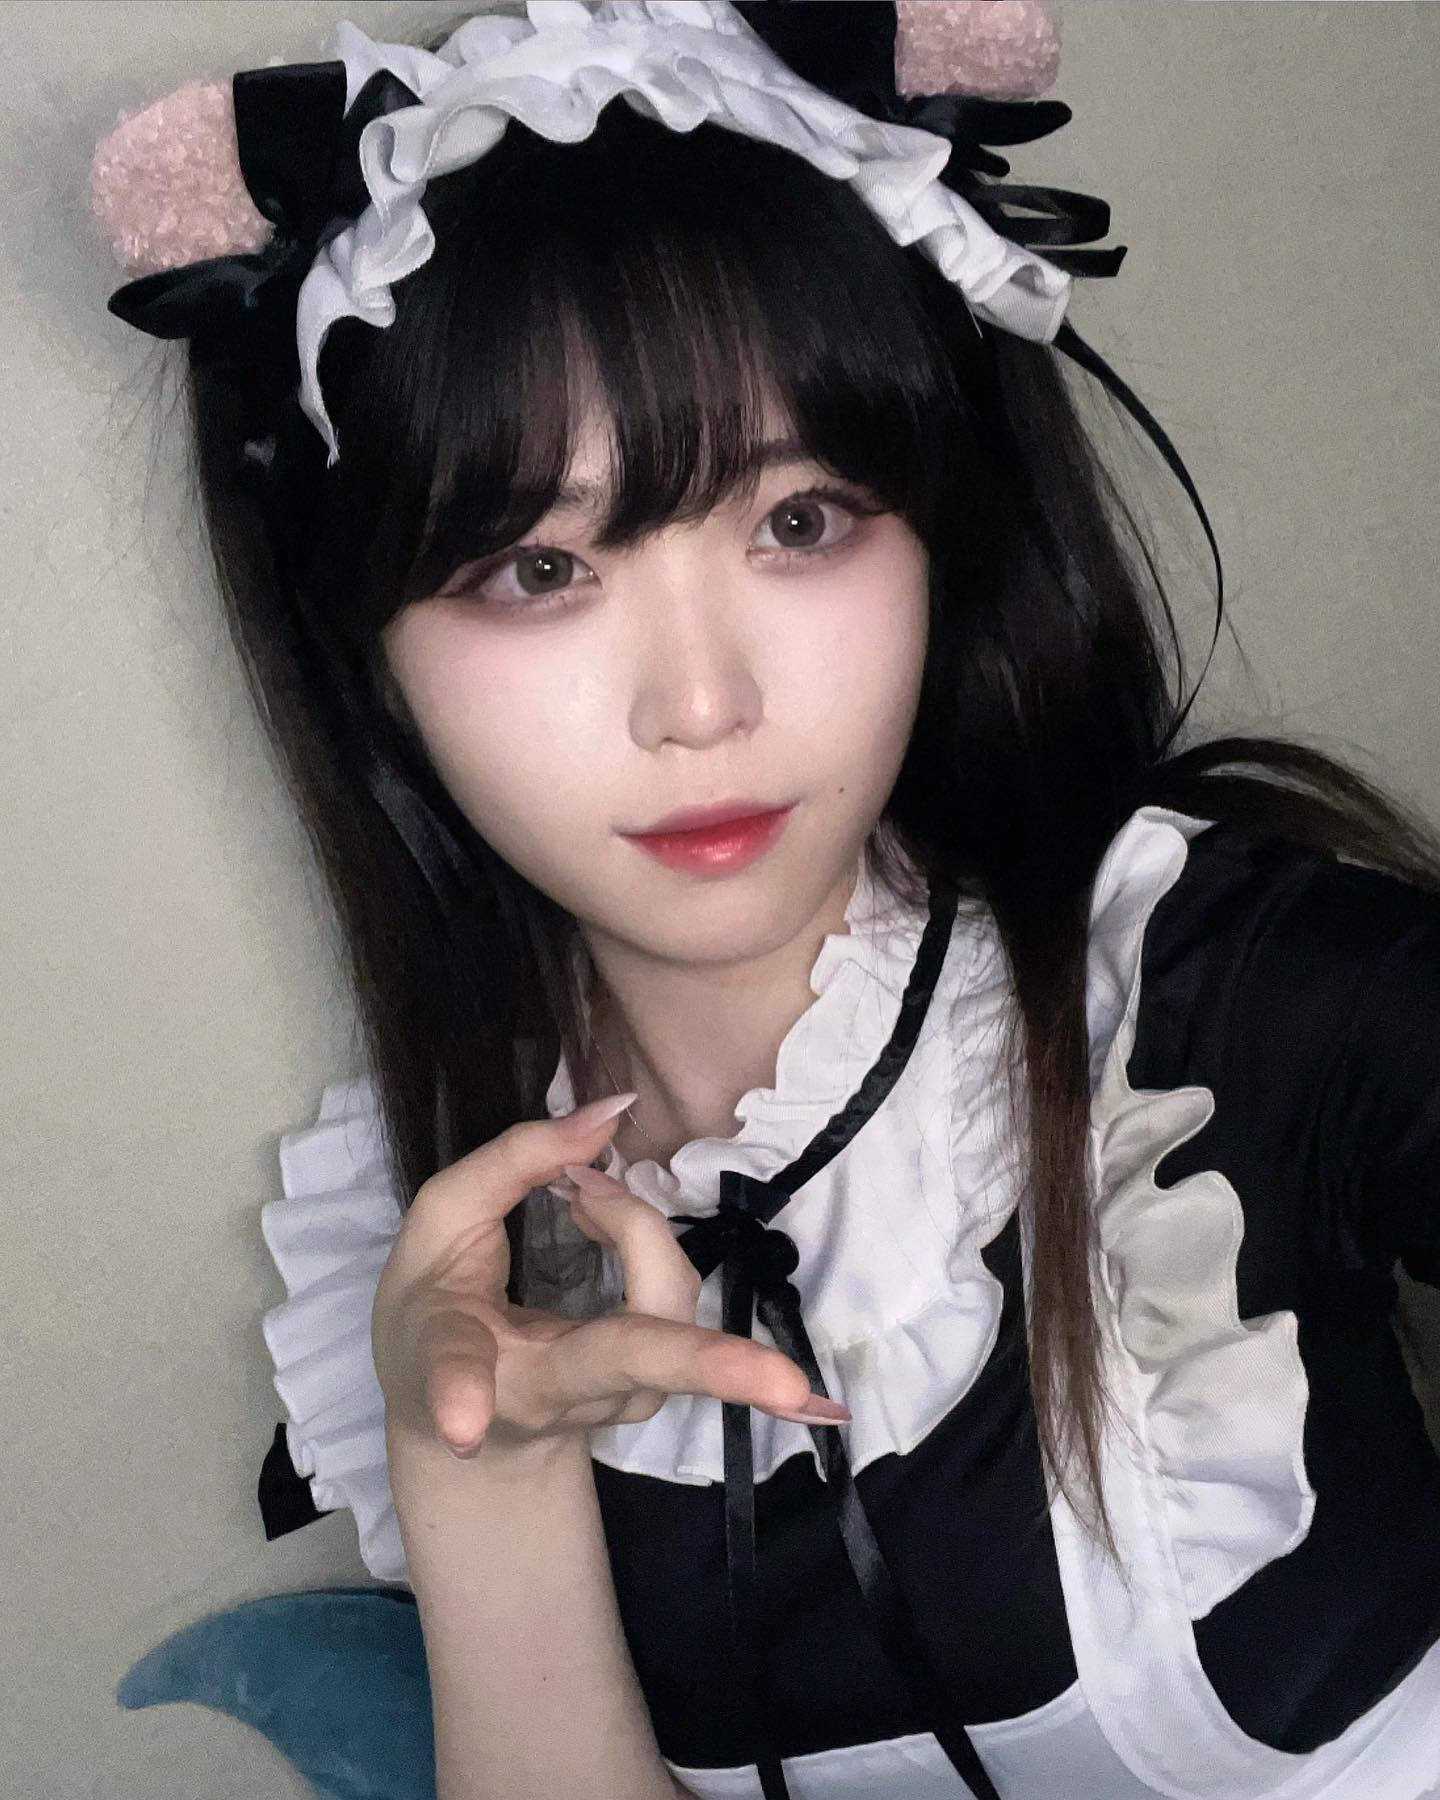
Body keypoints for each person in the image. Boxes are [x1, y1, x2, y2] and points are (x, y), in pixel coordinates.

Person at [90, 5, 1440, 1797]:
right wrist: (482, 1473)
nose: (702, 705)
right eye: (538, 567)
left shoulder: (1230, 1004)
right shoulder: (456, 1239)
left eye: (800, 521)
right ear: (372, 658)